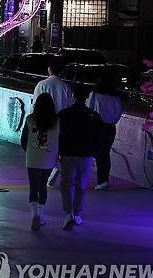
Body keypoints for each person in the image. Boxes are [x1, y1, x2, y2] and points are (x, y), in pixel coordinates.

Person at [58, 84, 102, 230]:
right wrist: (95, 153)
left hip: (68, 153)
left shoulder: (64, 114)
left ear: (73, 96)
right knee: (81, 185)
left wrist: (58, 153)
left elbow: (58, 135)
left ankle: (67, 214)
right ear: (87, 97)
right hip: (86, 154)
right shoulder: (94, 116)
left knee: (66, 184)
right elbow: (98, 137)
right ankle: (76, 213)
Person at [20, 93, 59, 231]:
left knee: (33, 186)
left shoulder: (30, 119)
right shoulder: (56, 121)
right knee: (43, 185)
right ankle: (41, 215)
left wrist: (29, 151)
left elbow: (23, 140)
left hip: (33, 158)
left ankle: (34, 214)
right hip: (49, 157)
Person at [32, 57, 73, 186]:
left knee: (44, 149)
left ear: (49, 69)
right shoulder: (65, 87)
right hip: (60, 123)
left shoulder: (42, 85)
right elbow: (69, 106)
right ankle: (54, 170)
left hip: (44, 122)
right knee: (57, 148)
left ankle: (48, 172)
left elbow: (35, 105)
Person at [85, 73, 123, 190]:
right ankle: (103, 179)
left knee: (96, 153)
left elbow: (89, 108)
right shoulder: (116, 98)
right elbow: (118, 113)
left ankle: (98, 179)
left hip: (97, 126)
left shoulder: (95, 95)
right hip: (110, 128)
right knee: (104, 153)